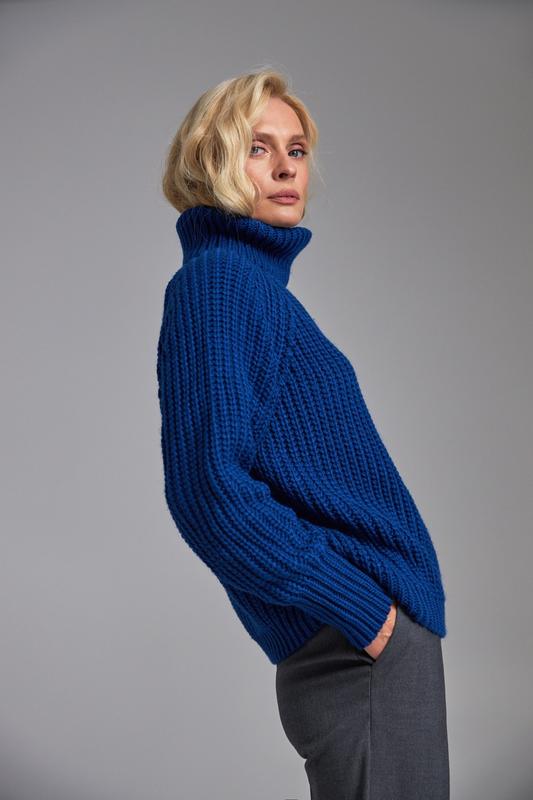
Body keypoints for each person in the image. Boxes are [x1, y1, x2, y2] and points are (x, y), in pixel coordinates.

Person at [156, 67, 450, 800]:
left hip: (372, 647)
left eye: (297, 149)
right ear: (210, 162)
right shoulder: (218, 283)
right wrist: (362, 613)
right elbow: (210, 492)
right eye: (258, 148)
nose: (287, 167)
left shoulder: (253, 288)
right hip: (357, 647)